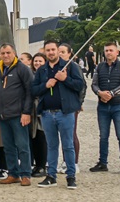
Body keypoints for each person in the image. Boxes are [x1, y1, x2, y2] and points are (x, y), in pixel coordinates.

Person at [32, 41, 84, 189]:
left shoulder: (70, 66)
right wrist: (45, 85)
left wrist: (65, 79)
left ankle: (71, 176)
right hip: (47, 114)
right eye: (48, 50)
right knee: (52, 145)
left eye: (53, 49)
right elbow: (34, 90)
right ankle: (51, 176)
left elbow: (80, 85)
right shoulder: (42, 70)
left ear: (57, 50)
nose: (51, 52)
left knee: (68, 145)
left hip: (65, 113)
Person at [0, 43, 34, 186]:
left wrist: (26, 112)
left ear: (14, 52)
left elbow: (29, 92)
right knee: (8, 146)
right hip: (2, 116)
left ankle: (26, 174)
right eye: (3, 53)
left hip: (18, 115)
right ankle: (13, 173)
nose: (6, 55)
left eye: (8, 52)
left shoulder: (22, 69)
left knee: (22, 145)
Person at [90, 42, 120, 175]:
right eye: (106, 50)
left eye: (111, 50)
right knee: (103, 136)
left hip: (118, 105)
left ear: (117, 52)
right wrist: (99, 93)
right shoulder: (99, 67)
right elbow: (94, 84)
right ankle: (103, 162)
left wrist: (111, 94)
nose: (108, 53)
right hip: (102, 106)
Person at [57, 43, 87, 175]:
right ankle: (64, 161)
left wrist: (79, 102)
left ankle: (73, 162)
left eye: (63, 52)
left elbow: (81, 86)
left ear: (69, 54)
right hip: (58, 105)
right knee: (61, 135)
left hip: (71, 105)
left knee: (71, 134)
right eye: (59, 51)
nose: (60, 54)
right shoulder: (55, 67)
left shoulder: (73, 67)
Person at [29, 53, 48, 177]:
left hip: (42, 108)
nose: (37, 63)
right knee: (33, 137)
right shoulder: (31, 74)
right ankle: (36, 164)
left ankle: (42, 165)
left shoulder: (47, 74)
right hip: (31, 109)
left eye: (40, 61)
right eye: (35, 61)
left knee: (42, 137)